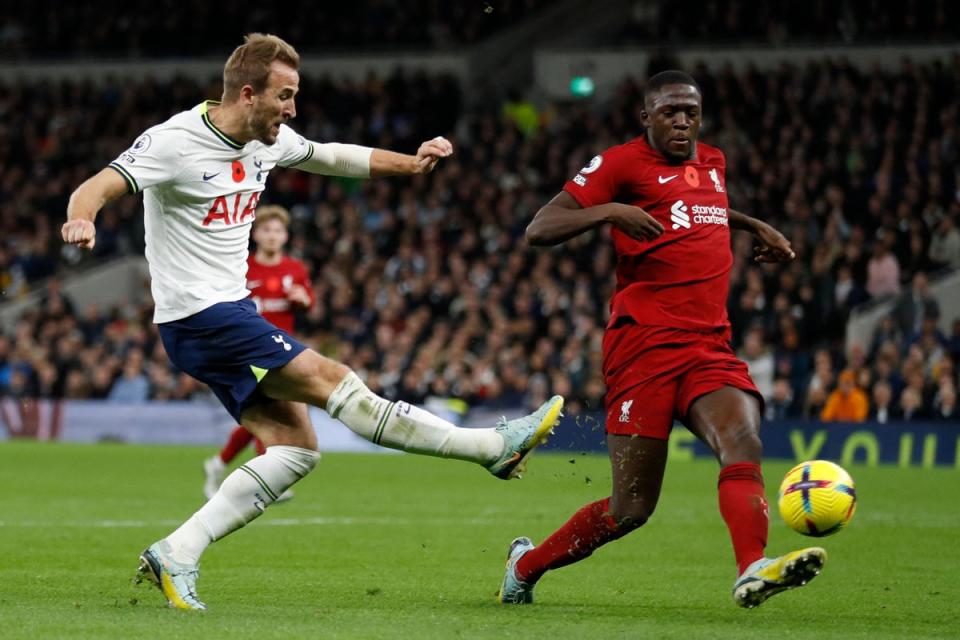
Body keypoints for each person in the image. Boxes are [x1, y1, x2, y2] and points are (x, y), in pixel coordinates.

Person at [62, 33, 563, 611]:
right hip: (202, 315)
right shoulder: (174, 142)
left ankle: (177, 551)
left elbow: (333, 155)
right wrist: (82, 220)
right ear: (248, 94)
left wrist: (413, 164)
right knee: (335, 381)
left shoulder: (265, 140)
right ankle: (489, 446)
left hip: (223, 314)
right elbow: (95, 186)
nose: (293, 109)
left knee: (296, 449)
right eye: (286, 96)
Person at [496, 70, 823, 610]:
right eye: (670, 112)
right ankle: (524, 566)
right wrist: (611, 210)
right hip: (642, 349)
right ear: (646, 117)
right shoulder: (620, 164)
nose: (682, 121)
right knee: (631, 508)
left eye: (690, 112)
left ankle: (753, 568)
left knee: (743, 442)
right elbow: (540, 228)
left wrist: (752, 225)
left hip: (709, 347)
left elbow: (700, 209)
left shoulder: (713, 161)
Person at [202, 205, 312, 501]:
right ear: (255, 234)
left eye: (278, 231)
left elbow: (308, 302)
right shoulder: (243, 268)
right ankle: (269, 482)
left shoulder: (295, 270)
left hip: (283, 351)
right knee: (272, 411)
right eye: (267, 230)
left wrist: (302, 299)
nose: (272, 236)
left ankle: (219, 463)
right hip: (248, 351)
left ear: (286, 235)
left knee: (264, 415)